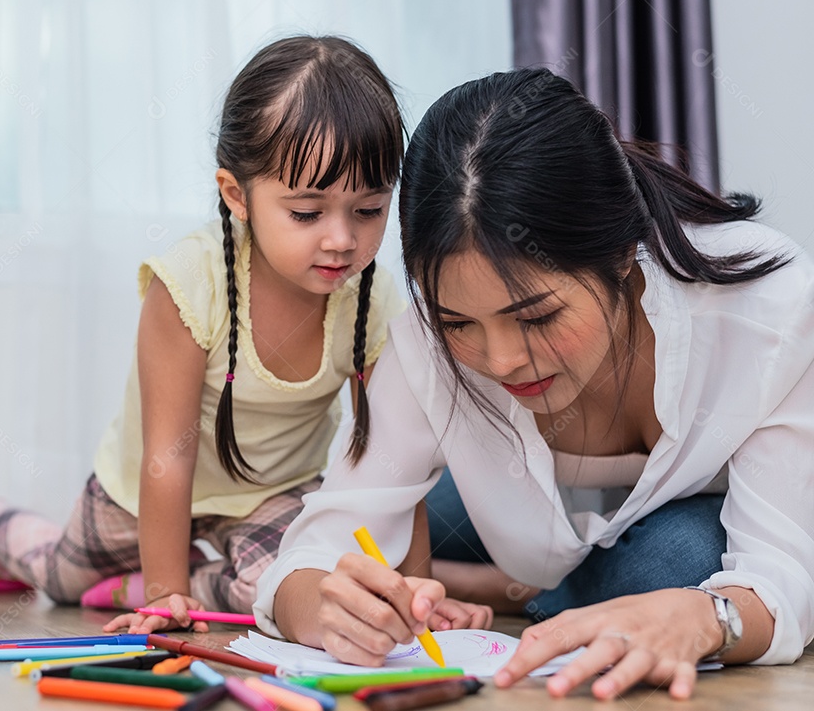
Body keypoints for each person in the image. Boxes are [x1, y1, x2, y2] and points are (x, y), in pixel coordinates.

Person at [254, 67, 814, 700]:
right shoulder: (423, 344)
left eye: (536, 317)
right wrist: (323, 607)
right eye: (457, 322)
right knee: (390, 531)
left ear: (621, 253)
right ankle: (515, 585)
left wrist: (706, 619)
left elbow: (783, 573)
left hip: (675, 525)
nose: (500, 362)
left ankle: (509, 590)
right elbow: (315, 554)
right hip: (500, 504)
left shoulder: (767, 312)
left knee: (681, 566)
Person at [0, 35, 459, 635]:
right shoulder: (188, 284)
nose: (341, 240)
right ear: (236, 195)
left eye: (368, 210)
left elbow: (392, 462)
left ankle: (157, 586)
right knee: (61, 578)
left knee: (294, 588)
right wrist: (165, 598)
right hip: (145, 489)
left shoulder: (372, 302)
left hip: (272, 495)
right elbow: (167, 457)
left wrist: (414, 594)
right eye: (307, 213)